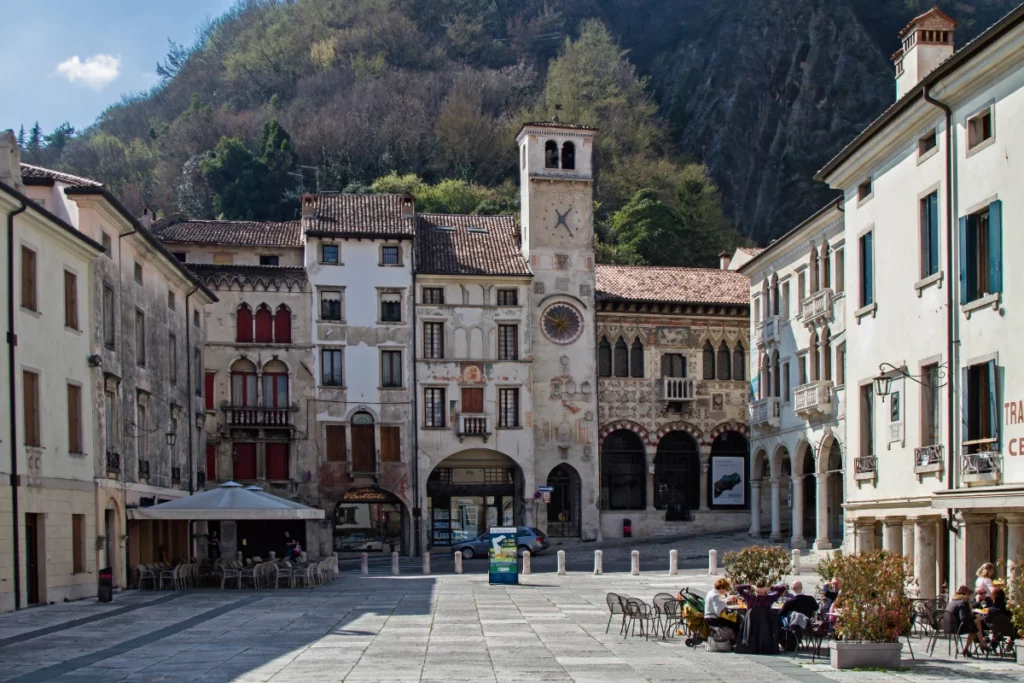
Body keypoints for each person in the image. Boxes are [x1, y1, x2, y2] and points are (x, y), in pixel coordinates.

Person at [735, 579, 787, 654]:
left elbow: (737, 587)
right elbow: (782, 589)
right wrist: (769, 588)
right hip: (765, 625)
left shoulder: (751, 598)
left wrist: (751, 586)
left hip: (751, 624)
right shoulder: (769, 599)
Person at [946, 585, 988, 657]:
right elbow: (963, 617)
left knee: (975, 626)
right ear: (965, 595)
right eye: (969, 595)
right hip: (957, 627)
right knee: (975, 624)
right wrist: (974, 617)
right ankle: (982, 643)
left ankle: (969, 648)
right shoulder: (963, 602)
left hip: (948, 626)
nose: (970, 597)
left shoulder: (954, 600)